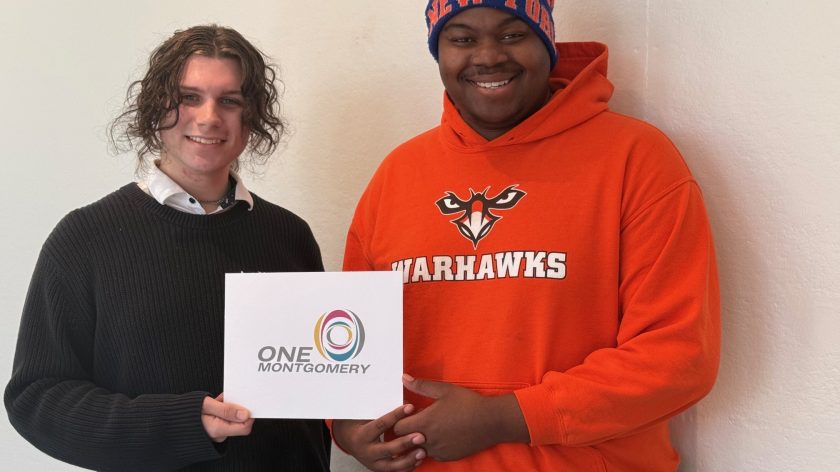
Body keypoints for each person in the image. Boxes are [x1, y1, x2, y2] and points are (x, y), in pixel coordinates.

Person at [333, 1, 720, 471]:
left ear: (547, 43)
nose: (489, 56)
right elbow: (350, 344)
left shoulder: (637, 159)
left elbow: (677, 356)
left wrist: (505, 418)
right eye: (462, 38)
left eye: (513, 34)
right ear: (439, 52)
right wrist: (346, 426)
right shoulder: (397, 175)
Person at [5, 25, 330, 471]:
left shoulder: (289, 235)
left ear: (251, 117)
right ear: (156, 106)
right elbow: (37, 399)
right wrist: (179, 422)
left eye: (230, 100)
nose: (209, 117)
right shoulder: (85, 238)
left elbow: (316, 388)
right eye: (189, 97)